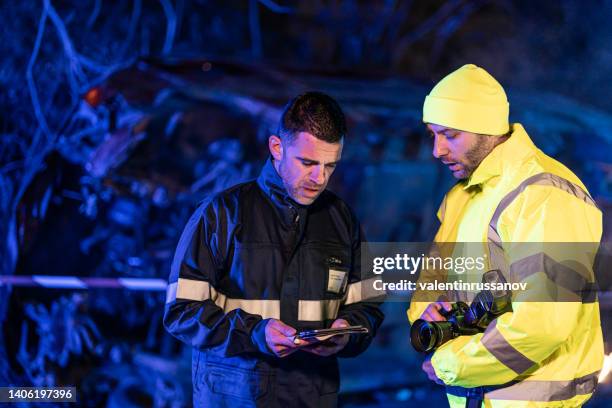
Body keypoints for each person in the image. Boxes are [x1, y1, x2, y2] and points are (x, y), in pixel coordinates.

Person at [164, 91, 384, 407]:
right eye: (307, 162)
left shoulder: (341, 219)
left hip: (310, 394)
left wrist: (348, 332)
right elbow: (181, 311)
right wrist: (255, 332)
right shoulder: (223, 213)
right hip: (236, 395)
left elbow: (369, 305)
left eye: (330, 165)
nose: (319, 178)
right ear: (277, 148)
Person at [407, 64, 603, 407]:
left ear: (486, 128)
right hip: (475, 395)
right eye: (432, 134)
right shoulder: (464, 196)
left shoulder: (543, 194)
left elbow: (541, 324)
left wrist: (452, 365)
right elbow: (432, 284)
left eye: (449, 134)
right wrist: (430, 313)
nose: (437, 149)